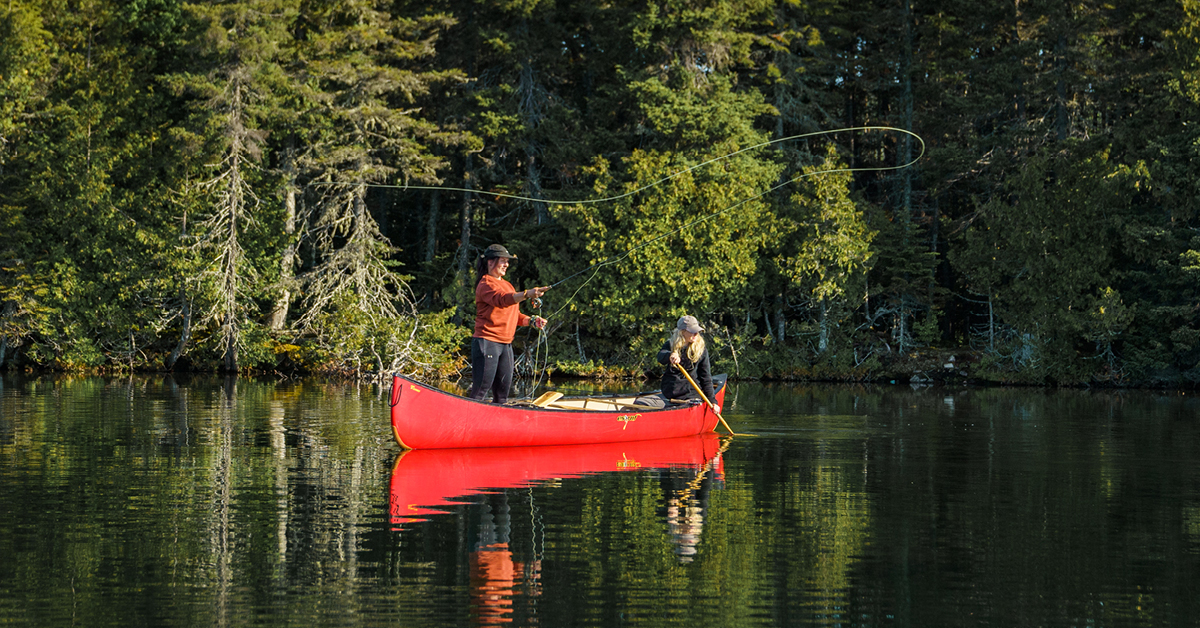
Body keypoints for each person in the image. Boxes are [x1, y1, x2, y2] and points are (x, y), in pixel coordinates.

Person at [471, 244, 550, 404]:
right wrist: (527, 294)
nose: (506, 265)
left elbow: (514, 314)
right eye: (503, 261)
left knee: (502, 395)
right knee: (480, 392)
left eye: (507, 261)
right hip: (487, 342)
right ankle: (466, 423)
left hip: (505, 345)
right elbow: (501, 300)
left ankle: (496, 426)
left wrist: (532, 321)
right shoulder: (485, 284)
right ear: (491, 262)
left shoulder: (508, 285)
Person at [657, 315, 719, 412]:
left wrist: (713, 401)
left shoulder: (701, 350)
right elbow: (660, 356)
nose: (696, 334)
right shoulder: (670, 345)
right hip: (669, 394)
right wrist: (670, 356)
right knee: (640, 403)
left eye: (697, 331)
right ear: (682, 332)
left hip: (690, 395)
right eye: (692, 331)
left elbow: (705, 377)